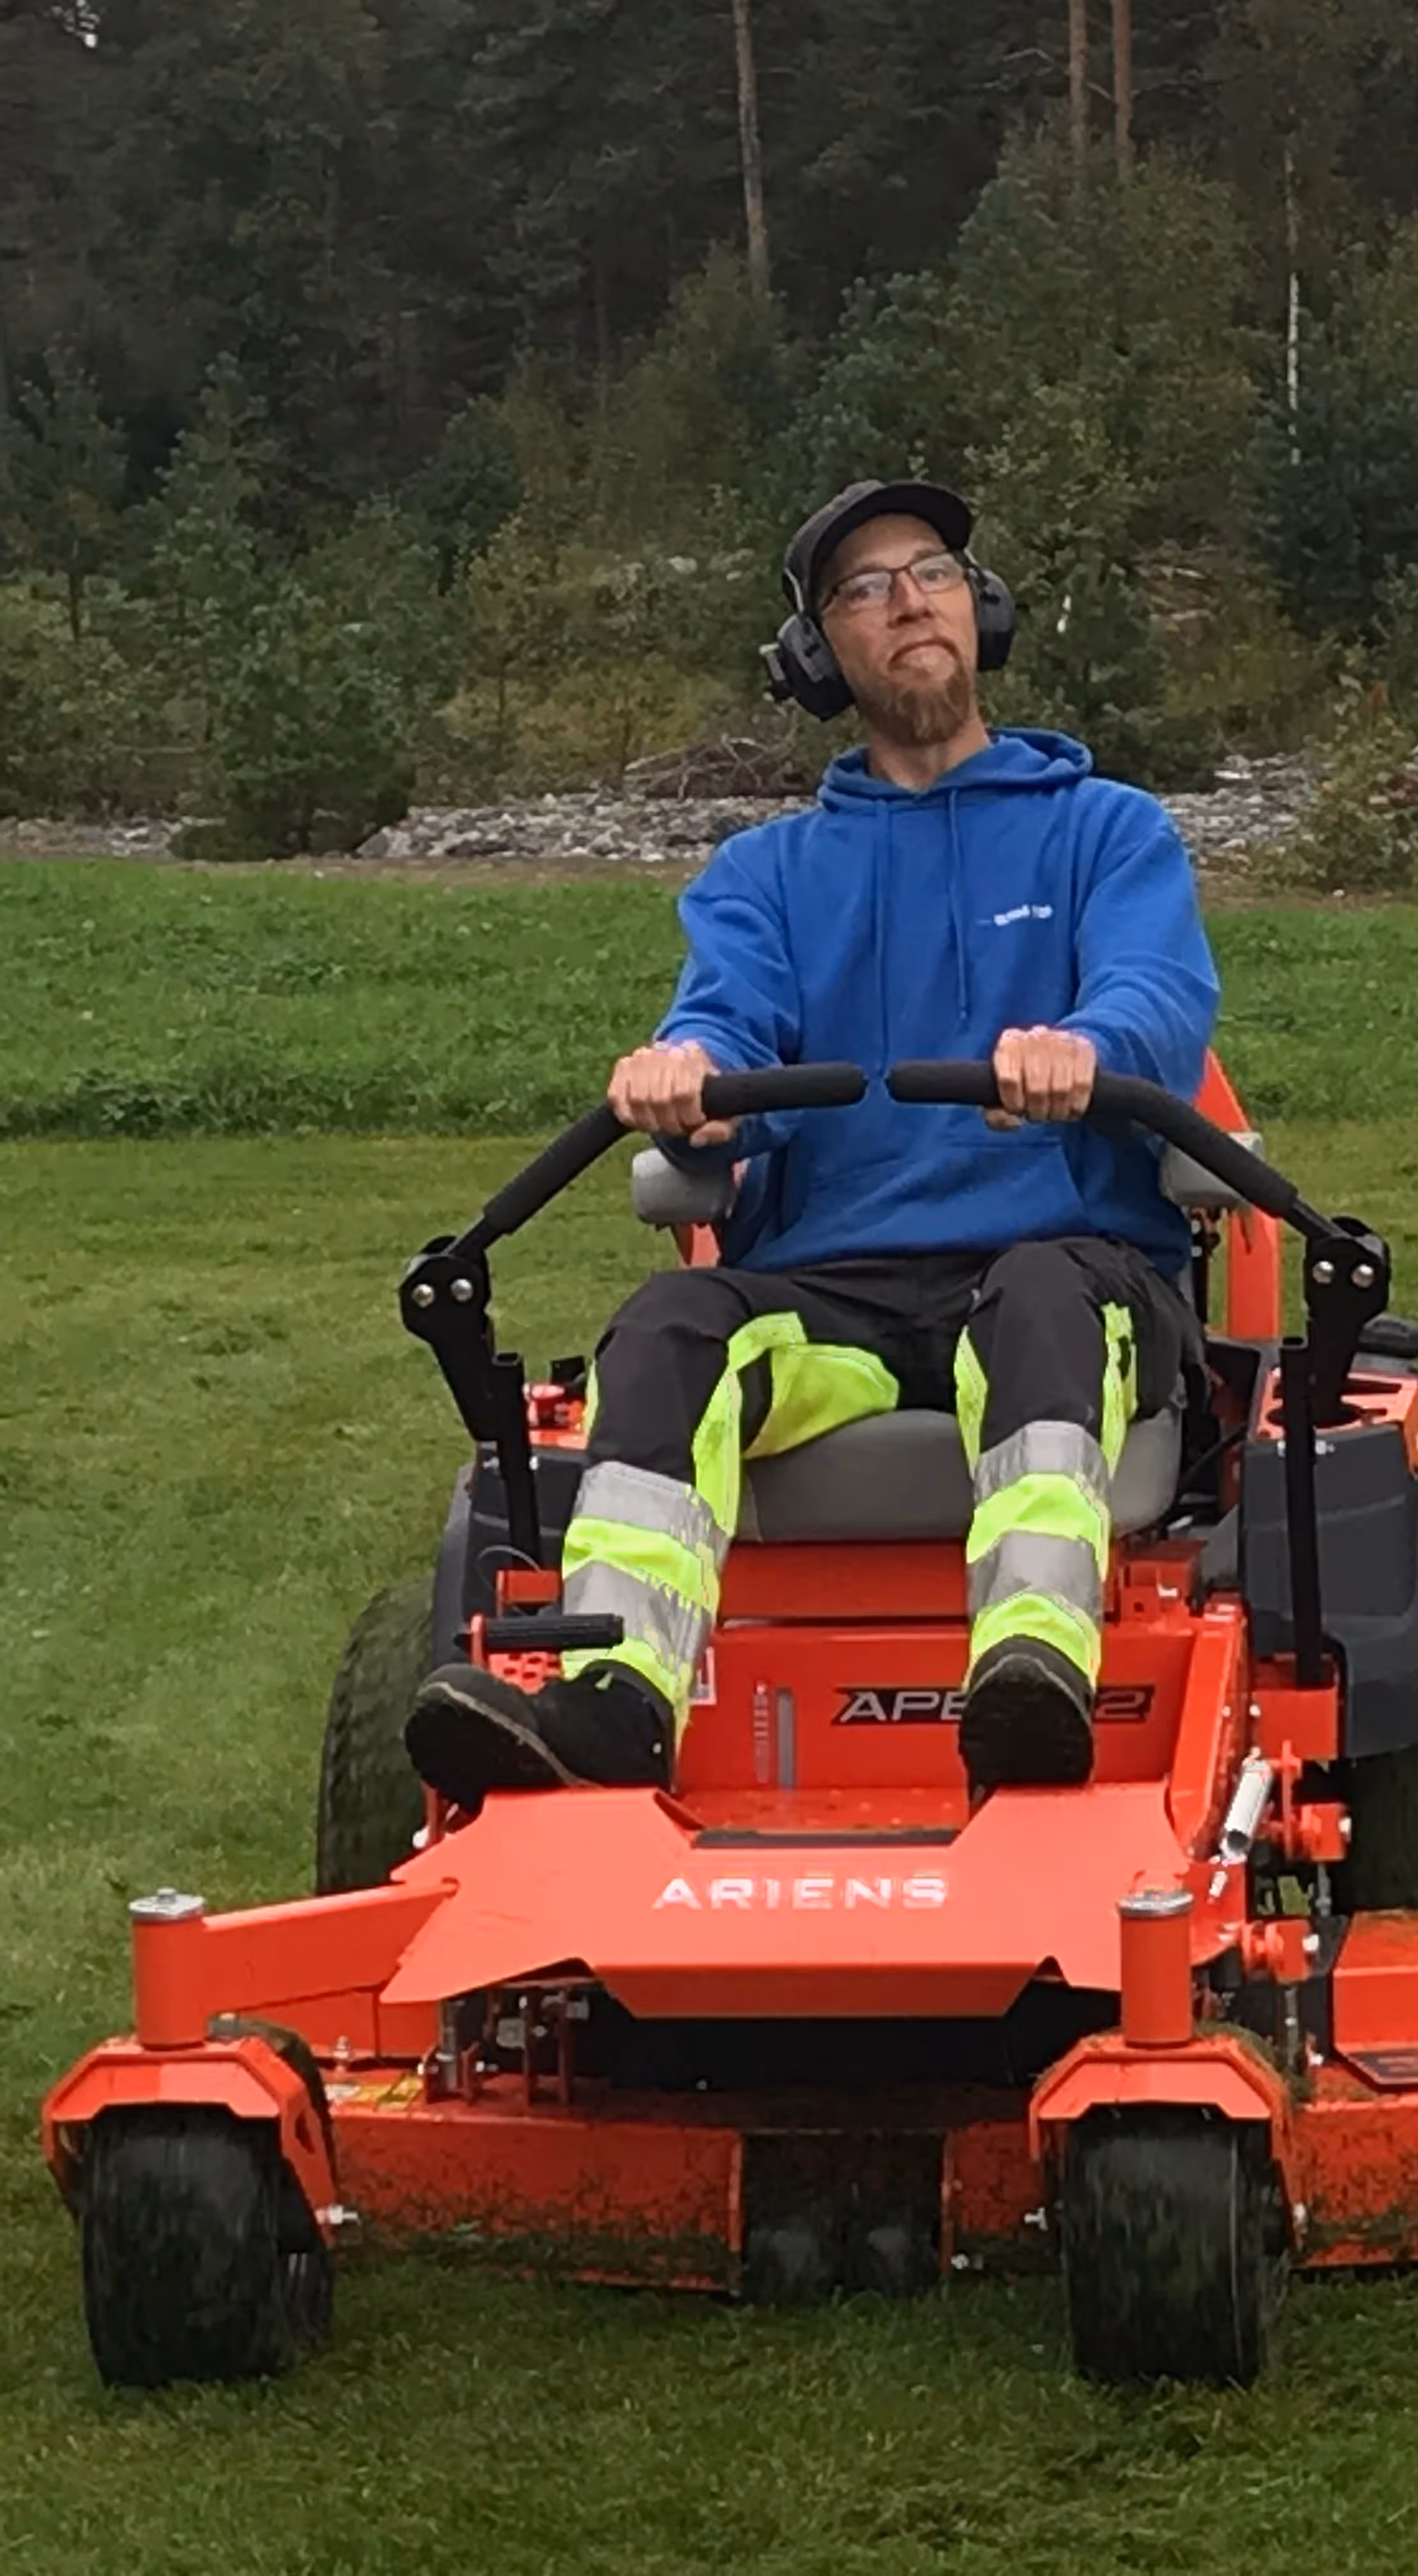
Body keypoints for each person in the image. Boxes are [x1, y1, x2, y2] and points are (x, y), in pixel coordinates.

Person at [406, 477, 1219, 1810]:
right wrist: (693, 1079)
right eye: (865, 586)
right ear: (814, 659)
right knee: (670, 1323)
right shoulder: (764, 879)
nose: (910, 599)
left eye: (935, 570)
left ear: (983, 610)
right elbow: (722, 1019)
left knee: (1038, 1297)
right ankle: (616, 1698)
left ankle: (1032, 1668)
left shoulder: (1104, 832)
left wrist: (1089, 1047)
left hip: (1061, 1265)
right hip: (831, 1297)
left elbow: (1157, 1001)